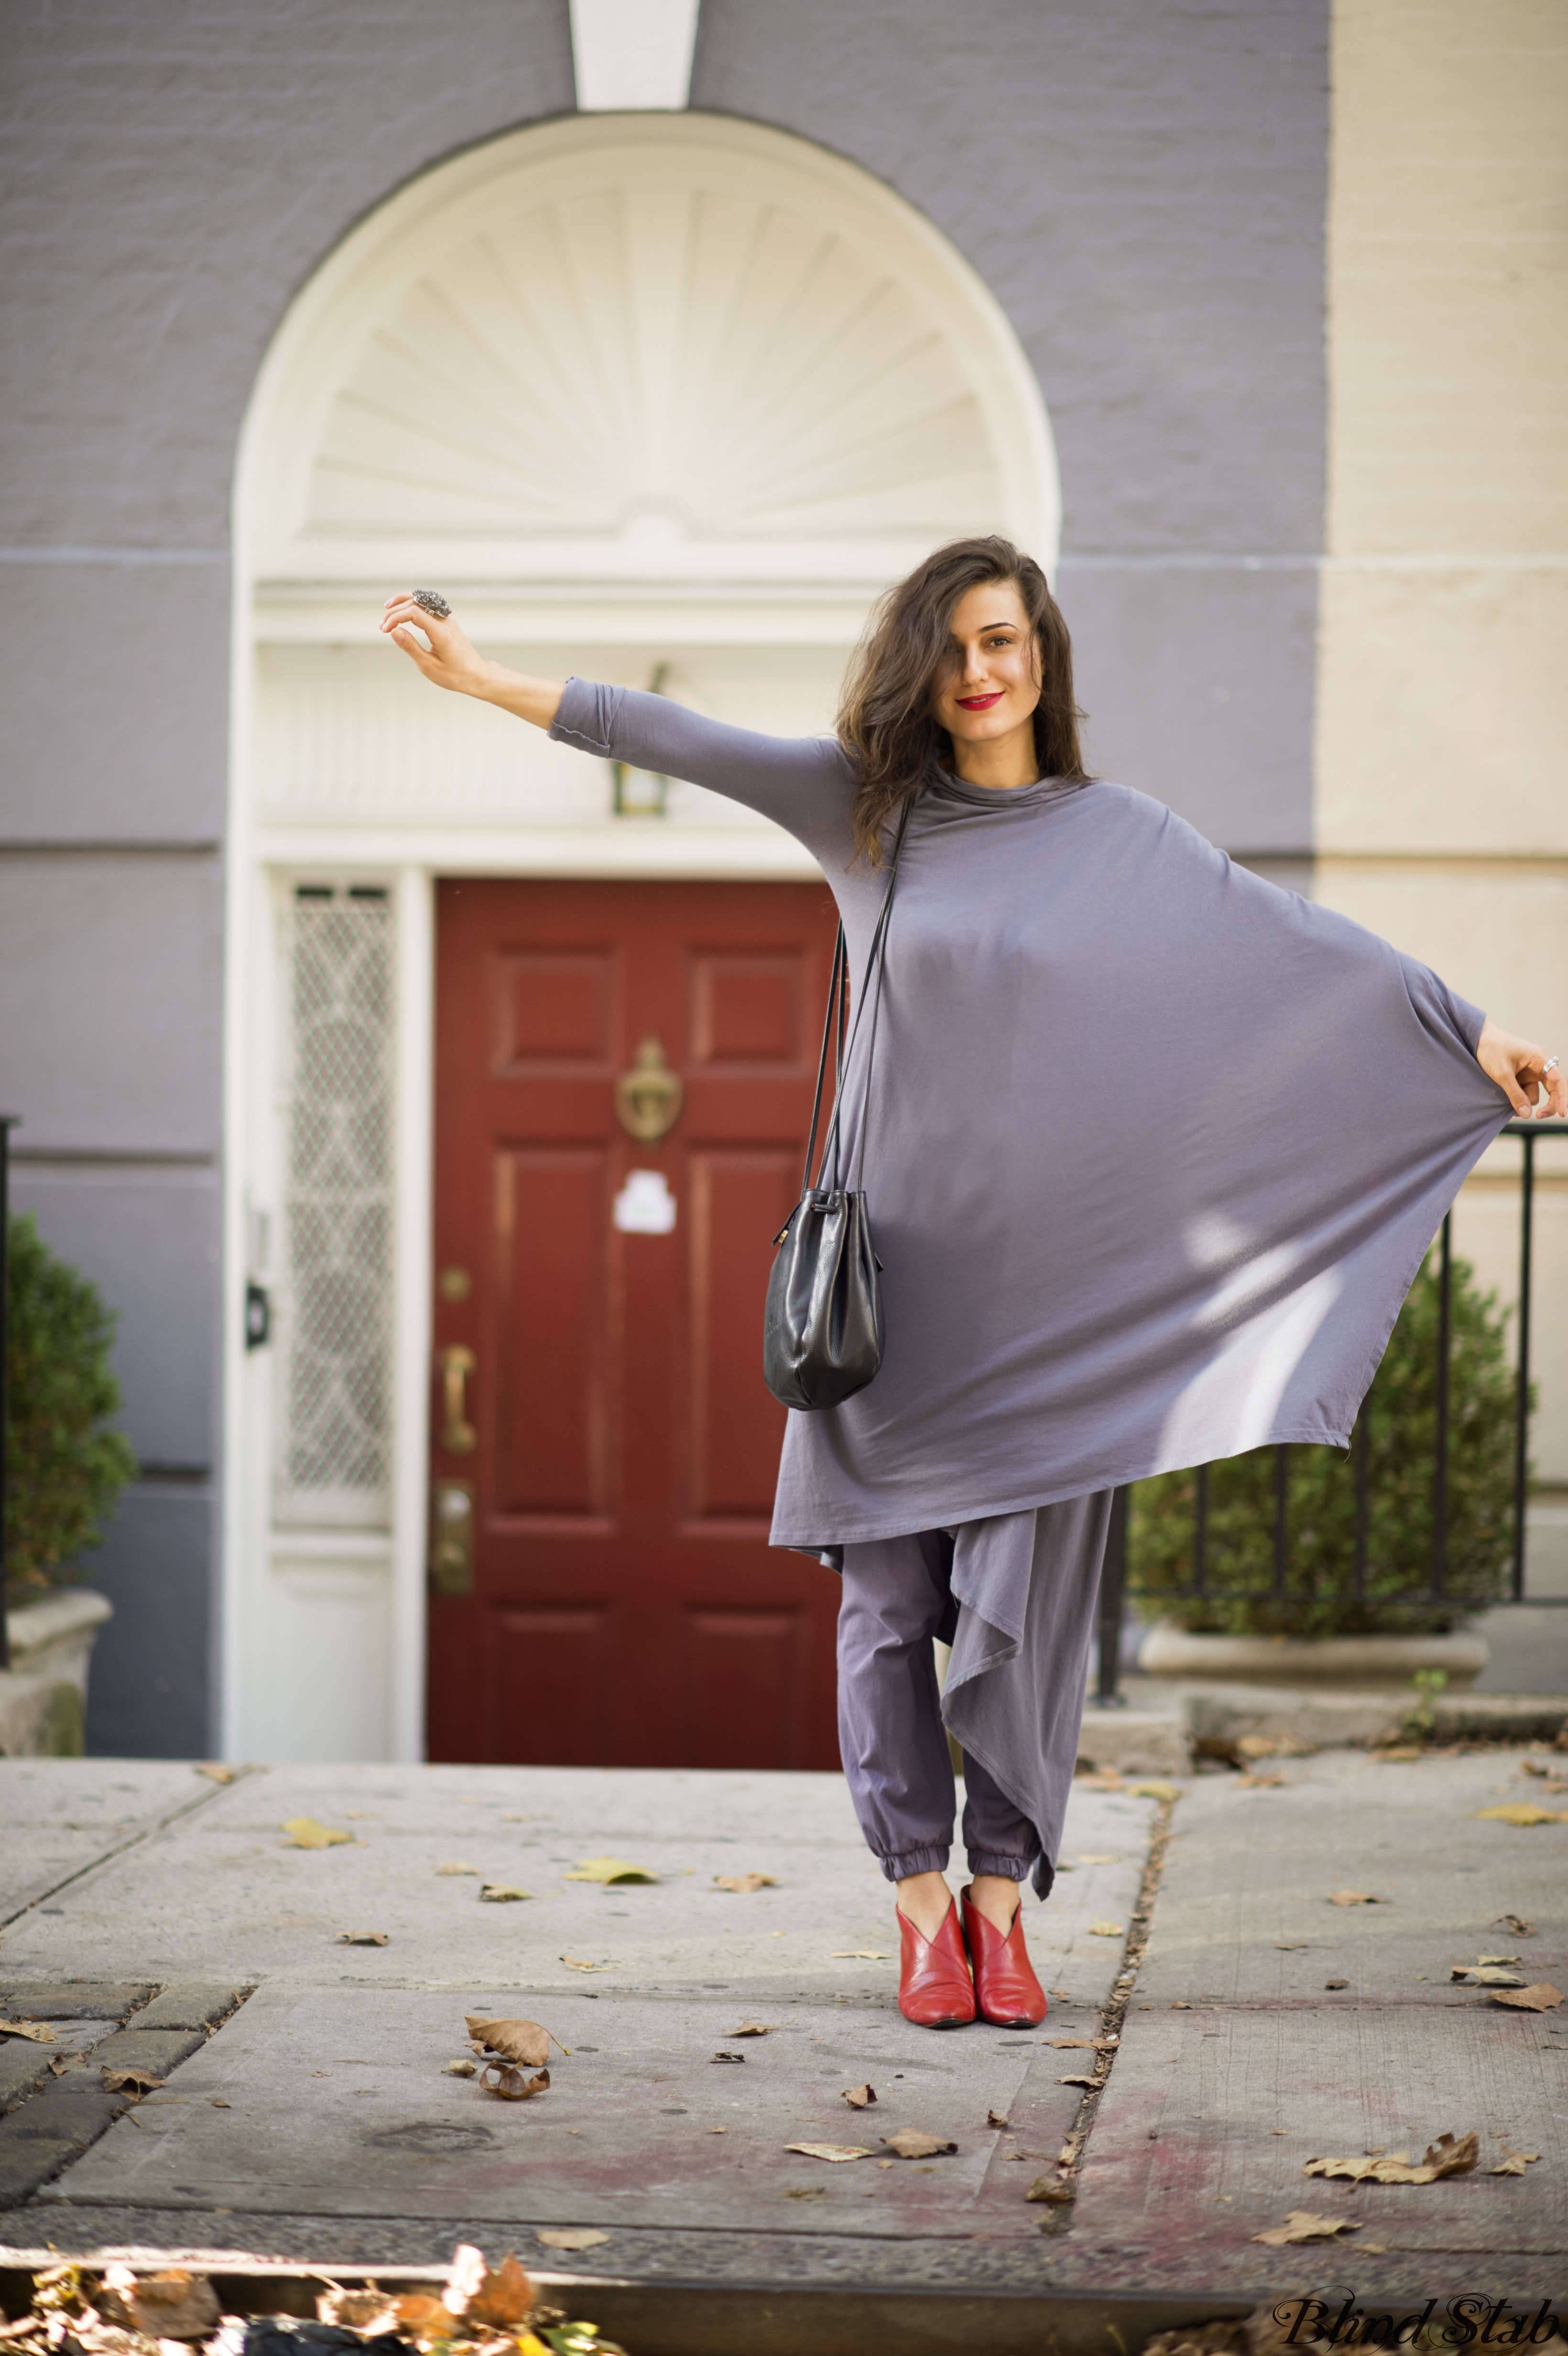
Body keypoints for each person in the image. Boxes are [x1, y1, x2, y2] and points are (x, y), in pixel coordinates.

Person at [382, 539, 1564, 2033]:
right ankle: (918, 1912)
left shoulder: (1129, 839)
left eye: (1002, 641)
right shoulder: (867, 815)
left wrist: (1469, 1029)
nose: (980, 672)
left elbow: (1302, 957)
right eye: (950, 651)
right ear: (920, 675)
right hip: (895, 1302)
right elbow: (673, 735)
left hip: (1062, 1306)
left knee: (1033, 1612)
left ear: (1044, 656)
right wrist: (484, 677)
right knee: (884, 1607)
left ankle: (1005, 1912)